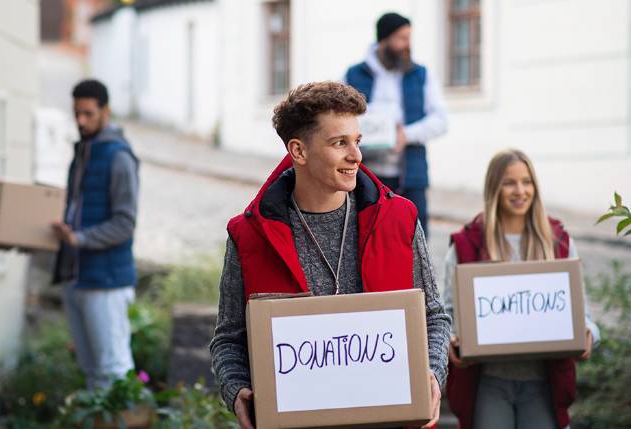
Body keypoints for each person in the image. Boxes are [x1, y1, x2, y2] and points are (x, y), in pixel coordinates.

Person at [209, 81, 451, 429]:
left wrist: (432, 373)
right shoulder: (248, 235)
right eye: (340, 143)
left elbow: (434, 317)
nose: (357, 156)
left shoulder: (399, 218)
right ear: (299, 151)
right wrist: (237, 389)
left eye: (357, 141)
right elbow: (229, 337)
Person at [443, 149, 600, 429]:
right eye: (509, 182)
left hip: (544, 382)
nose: (520, 191)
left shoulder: (559, 243)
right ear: (494, 188)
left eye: (527, 182)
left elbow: (582, 314)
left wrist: (589, 334)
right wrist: (450, 342)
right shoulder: (466, 245)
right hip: (488, 382)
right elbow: (447, 315)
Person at [51, 79, 139, 389]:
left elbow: (125, 223)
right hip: (77, 276)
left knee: (113, 371)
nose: (81, 121)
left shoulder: (119, 157)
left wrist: (80, 239)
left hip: (106, 282)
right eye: (77, 113)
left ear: (106, 111)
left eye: (88, 113)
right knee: (91, 372)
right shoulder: (83, 152)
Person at [344, 12, 448, 235]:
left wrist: (406, 135)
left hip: (411, 174)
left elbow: (441, 120)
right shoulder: (353, 75)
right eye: (401, 38)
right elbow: (340, 118)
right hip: (365, 174)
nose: (406, 45)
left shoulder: (421, 75)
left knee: (414, 239)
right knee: (368, 238)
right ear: (384, 40)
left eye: (409, 38)